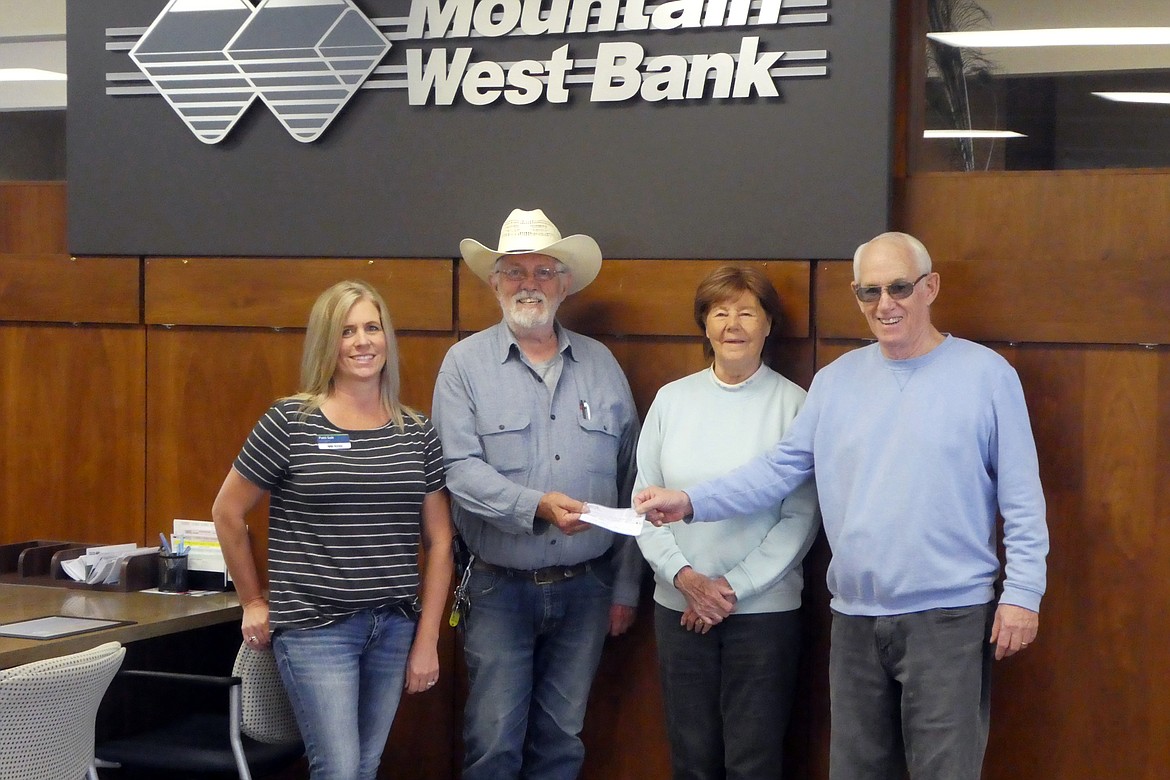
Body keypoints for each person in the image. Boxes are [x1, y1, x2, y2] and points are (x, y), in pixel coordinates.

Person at [635, 232, 1049, 780]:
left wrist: (1023, 593)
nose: (885, 304)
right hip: (854, 620)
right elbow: (777, 472)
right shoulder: (834, 384)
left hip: (949, 619)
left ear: (931, 287)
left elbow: (1021, 498)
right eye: (868, 291)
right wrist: (689, 502)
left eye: (899, 287)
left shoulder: (988, 376)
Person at [212, 280, 454, 780]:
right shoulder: (290, 422)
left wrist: (427, 638)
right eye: (348, 331)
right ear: (328, 342)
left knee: (363, 767)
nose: (363, 341)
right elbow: (227, 512)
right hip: (315, 631)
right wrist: (253, 600)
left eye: (372, 327)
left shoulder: (417, 431)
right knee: (339, 769)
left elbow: (441, 541)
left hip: (393, 626)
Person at [431, 207, 642, 780]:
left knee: (562, 742)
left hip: (588, 592)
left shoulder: (602, 366)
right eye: (515, 271)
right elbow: (456, 468)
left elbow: (632, 482)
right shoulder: (464, 366)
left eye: (544, 271)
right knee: (493, 744)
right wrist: (535, 508)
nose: (530, 284)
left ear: (565, 284)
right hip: (499, 588)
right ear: (494, 283)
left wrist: (624, 586)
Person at [635, 265, 819, 780]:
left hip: (764, 614)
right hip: (679, 607)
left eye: (746, 312)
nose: (732, 324)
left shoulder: (795, 405)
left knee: (754, 760)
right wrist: (688, 582)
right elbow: (644, 506)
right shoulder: (672, 401)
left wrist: (728, 590)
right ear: (704, 324)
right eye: (720, 312)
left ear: (768, 325)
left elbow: (801, 518)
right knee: (691, 758)